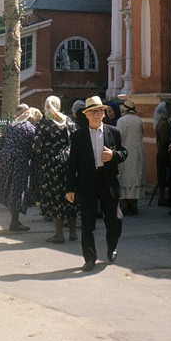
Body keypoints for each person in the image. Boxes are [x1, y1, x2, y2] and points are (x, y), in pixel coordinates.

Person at [66, 95, 128, 272]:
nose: (96, 114)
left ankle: (111, 247)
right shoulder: (78, 136)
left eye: (99, 111)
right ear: (86, 115)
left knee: (115, 218)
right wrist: (70, 188)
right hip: (87, 181)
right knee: (87, 221)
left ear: (103, 114)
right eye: (92, 111)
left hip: (107, 179)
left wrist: (113, 155)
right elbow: (73, 163)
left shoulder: (113, 132)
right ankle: (90, 258)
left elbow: (124, 152)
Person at [0, 107, 42, 231]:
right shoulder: (30, 128)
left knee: (9, 188)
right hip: (19, 160)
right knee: (17, 189)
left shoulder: (11, 126)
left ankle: (14, 221)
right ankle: (14, 222)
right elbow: (35, 148)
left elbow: (0, 144)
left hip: (5, 158)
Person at [32, 96, 78, 244]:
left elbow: (37, 146)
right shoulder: (68, 120)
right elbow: (76, 139)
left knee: (55, 196)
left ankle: (59, 234)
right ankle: (72, 232)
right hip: (69, 160)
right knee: (70, 193)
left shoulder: (45, 122)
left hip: (51, 163)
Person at [116, 98, 145, 215]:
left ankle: (124, 205)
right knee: (136, 176)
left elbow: (118, 137)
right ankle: (134, 205)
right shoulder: (138, 120)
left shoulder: (121, 121)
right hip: (137, 152)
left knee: (124, 177)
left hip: (124, 153)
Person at [153, 99, 171, 206]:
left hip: (161, 152)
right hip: (163, 153)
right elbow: (165, 140)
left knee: (162, 175)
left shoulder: (160, 122)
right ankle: (162, 197)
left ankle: (162, 196)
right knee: (162, 176)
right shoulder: (163, 123)